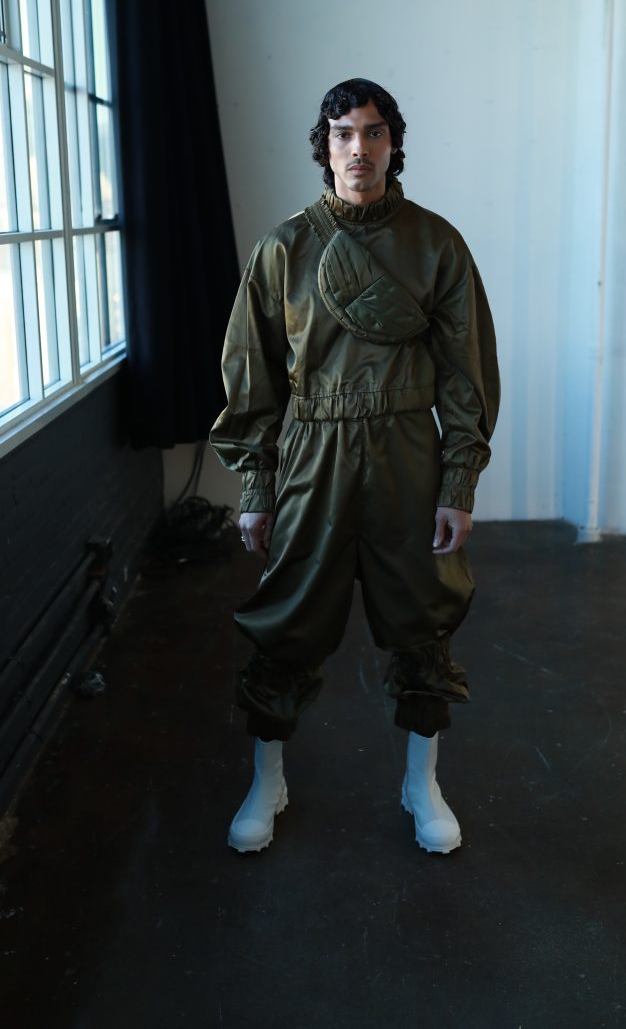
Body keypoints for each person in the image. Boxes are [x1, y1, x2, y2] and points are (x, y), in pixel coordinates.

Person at [210, 78, 499, 855]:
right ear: (324, 145)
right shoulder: (283, 249)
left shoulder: (436, 244)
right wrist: (256, 486)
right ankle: (267, 779)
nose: (358, 148)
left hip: (407, 451)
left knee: (422, 621)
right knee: (288, 620)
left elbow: (466, 373)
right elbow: (253, 376)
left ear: (393, 144)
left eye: (373, 132)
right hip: (314, 452)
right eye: (343, 133)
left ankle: (421, 782)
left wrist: (458, 481)